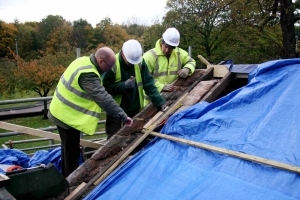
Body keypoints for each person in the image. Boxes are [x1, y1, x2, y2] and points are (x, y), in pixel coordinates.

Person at [48, 47, 133, 177]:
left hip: (63, 112)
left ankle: (67, 180)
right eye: (109, 66)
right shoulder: (88, 75)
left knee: (68, 150)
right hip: (65, 116)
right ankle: (70, 186)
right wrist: (123, 116)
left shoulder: (83, 61)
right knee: (72, 153)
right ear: (100, 61)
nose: (110, 69)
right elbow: (103, 98)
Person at [102, 39, 166, 139]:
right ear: (123, 54)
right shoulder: (112, 64)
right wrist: (123, 86)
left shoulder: (139, 62)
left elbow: (148, 83)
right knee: (113, 140)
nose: (132, 64)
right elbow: (104, 88)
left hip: (134, 109)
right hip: (115, 111)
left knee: (133, 138)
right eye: (130, 61)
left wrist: (159, 101)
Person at [143, 27, 196, 106]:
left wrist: (187, 68)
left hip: (171, 100)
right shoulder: (149, 57)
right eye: (166, 46)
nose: (167, 50)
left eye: (171, 48)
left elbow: (191, 61)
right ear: (162, 41)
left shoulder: (179, 53)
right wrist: (161, 86)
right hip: (151, 103)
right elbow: (144, 79)